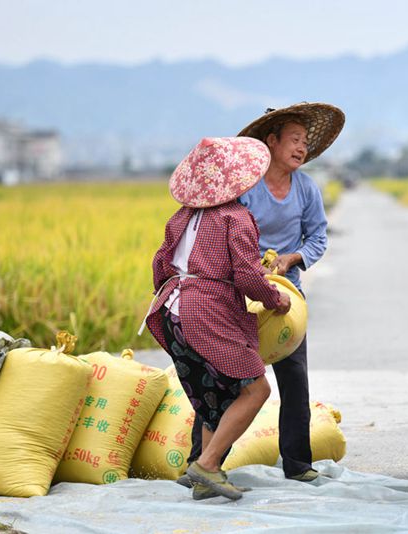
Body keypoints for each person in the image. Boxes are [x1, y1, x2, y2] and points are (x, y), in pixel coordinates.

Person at [141, 136, 291, 501]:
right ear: (240, 181)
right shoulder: (236, 217)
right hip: (205, 315)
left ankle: (207, 478)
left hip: (170, 312)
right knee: (257, 389)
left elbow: (160, 265)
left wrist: (180, 292)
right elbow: (248, 276)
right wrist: (277, 299)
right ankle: (206, 465)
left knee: (213, 397)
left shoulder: (182, 217)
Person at [237, 102, 345, 482]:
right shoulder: (247, 188)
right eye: (294, 140)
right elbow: (230, 234)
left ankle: (298, 465)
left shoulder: (306, 188)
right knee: (229, 380)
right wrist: (252, 266)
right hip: (243, 296)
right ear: (272, 141)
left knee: (295, 381)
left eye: (304, 143)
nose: (301, 148)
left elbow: (318, 236)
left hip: (287, 299)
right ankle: (204, 460)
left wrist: (291, 258)